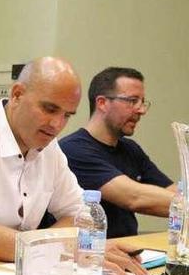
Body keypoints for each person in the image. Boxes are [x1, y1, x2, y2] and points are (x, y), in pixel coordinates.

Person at [0, 57, 146, 275]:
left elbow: (81, 218)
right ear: (17, 94)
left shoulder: (48, 146)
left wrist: (48, 249)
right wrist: (62, 248)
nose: (57, 125)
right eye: (49, 109)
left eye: (67, 115)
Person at [60, 67, 175, 238]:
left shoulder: (131, 149)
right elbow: (135, 198)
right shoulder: (73, 150)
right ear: (102, 103)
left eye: (142, 102)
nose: (141, 110)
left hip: (131, 252)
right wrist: (182, 205)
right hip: (93, 254)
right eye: (132, 101)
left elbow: (173, 193)